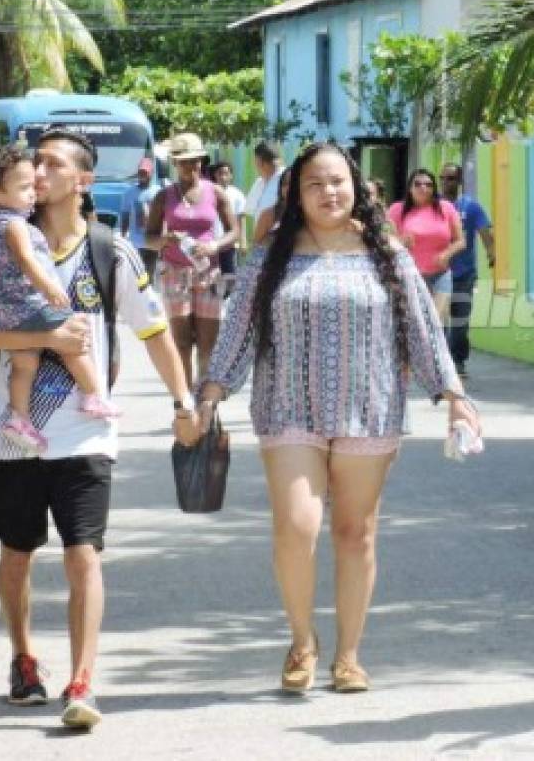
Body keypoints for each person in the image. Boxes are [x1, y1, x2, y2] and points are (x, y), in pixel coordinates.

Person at [198, 143, 479, 694]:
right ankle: (302, 640)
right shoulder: (272, 255)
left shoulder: (388, 255)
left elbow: (422, 327)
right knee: (296, 525)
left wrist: (453, 394)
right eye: (314, 184)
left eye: (338, 181)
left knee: (356, 533)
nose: (329, 192)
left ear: (356, 186)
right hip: (287, 408)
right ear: (295, 196)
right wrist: (209, 395)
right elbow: (237, 333)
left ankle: (348, 655)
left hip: (369, 410)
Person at [0, 126, 198, 730]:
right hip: (11, 432)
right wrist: (42, 337)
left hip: (85, 434)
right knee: (16, 556)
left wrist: (183, 400)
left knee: (83, 554)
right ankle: (22, 659)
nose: (37, 173)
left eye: (49, 164)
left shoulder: (109, 251)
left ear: (83, 180)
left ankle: (81, 681)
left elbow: (154, 333)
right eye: (32, 164)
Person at [0, 145, 120, 454]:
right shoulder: (15, 224)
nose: (34, 192)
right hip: (25, 305)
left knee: (24, 362)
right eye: (25, 187)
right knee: (72, 337)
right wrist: (48, 288)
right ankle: (93, 394)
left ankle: (19, 418)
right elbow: (27, 261)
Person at [145, 132, 238, 386]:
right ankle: (186, 402)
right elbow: (149, 238)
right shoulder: (163, 197)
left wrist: (214, 245)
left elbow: (234, 231)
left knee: (209, 342)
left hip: (209, 272)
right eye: (185, 161)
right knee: (182, 342)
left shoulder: (215, 192)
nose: (191, 166)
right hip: (174, 273)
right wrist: (166, 239)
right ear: (175, 163)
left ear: (202, 161)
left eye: (195, 160)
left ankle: (207, 405)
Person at [386, 168, 465, 323]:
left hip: (440, 275)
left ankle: (439, 348)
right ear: (410, 188)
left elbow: (460, 241)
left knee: (437, 323)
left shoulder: (446, 208)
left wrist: (446, 254)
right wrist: (400, 242)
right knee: (416, 324)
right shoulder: (397, 209)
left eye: (428, 185)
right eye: (418, 184)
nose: (423, 188)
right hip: (410, 275)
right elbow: (385, 240)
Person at [438, 161, 494, 377]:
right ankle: (442, 366)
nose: (445, 183)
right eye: (442, 178)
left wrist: (491, 251)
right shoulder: (434, 207)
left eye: (450, 178)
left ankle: (458, 361)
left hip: (464, 274)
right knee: (439, 324)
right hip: (438, 274)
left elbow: (485, 231)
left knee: (460, 325)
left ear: (459, 181)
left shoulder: (470, 206)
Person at [120, 156, 161, 282]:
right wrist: (123, 235)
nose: (142, 175)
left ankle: (148, 298)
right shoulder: (129, 193)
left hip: (153, 241)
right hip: (135, 241)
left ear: (151, 173)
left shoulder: (158, 192)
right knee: (136, 274)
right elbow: (125, 214)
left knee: (149, 272)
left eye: (145, 172)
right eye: (140, 172)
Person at [210, 160, 249, 280]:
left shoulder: (237, 194)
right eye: (220, 173)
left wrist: (243, 241)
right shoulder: (208, 192)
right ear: (215, 175)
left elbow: (241, 219)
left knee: (229, 275)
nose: (223, 177)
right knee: (212, 276)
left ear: (231, 176)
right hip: (210, 242)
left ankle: (228, 297)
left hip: (228, 243)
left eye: (226, 173)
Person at [246, 141, 285, 244]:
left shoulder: (287, 180)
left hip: (280, 242)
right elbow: (249, 210)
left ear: (259, 162)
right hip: (262, 242)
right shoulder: (260, 182)